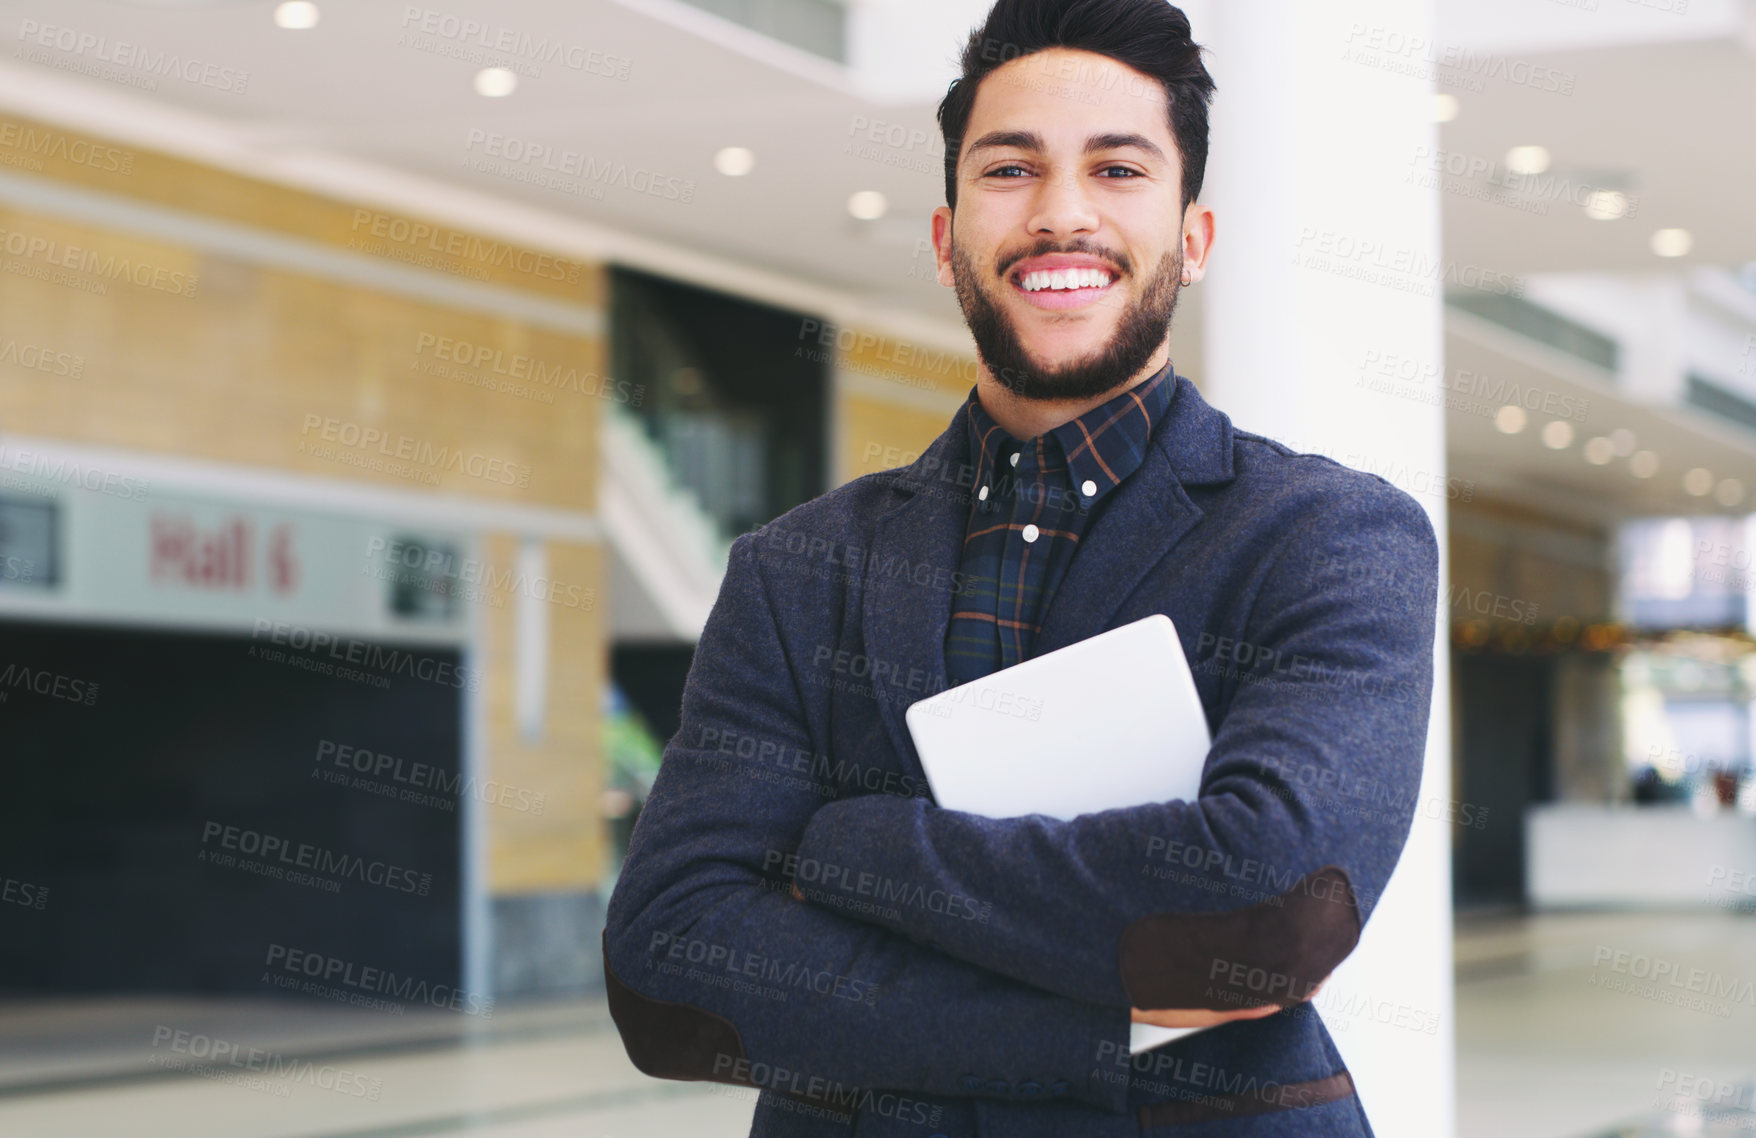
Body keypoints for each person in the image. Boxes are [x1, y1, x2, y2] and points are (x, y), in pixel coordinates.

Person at [602, 0, 1439, 1133]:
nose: (1061, 214)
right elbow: (672, 967)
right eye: (1009, 168)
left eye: (1117, 168)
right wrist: (1125, 1029)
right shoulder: (796, 568)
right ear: (947, 236)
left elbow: (1270, 912)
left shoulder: (1326, 536)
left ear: (1191, 238)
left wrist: (846, 849)